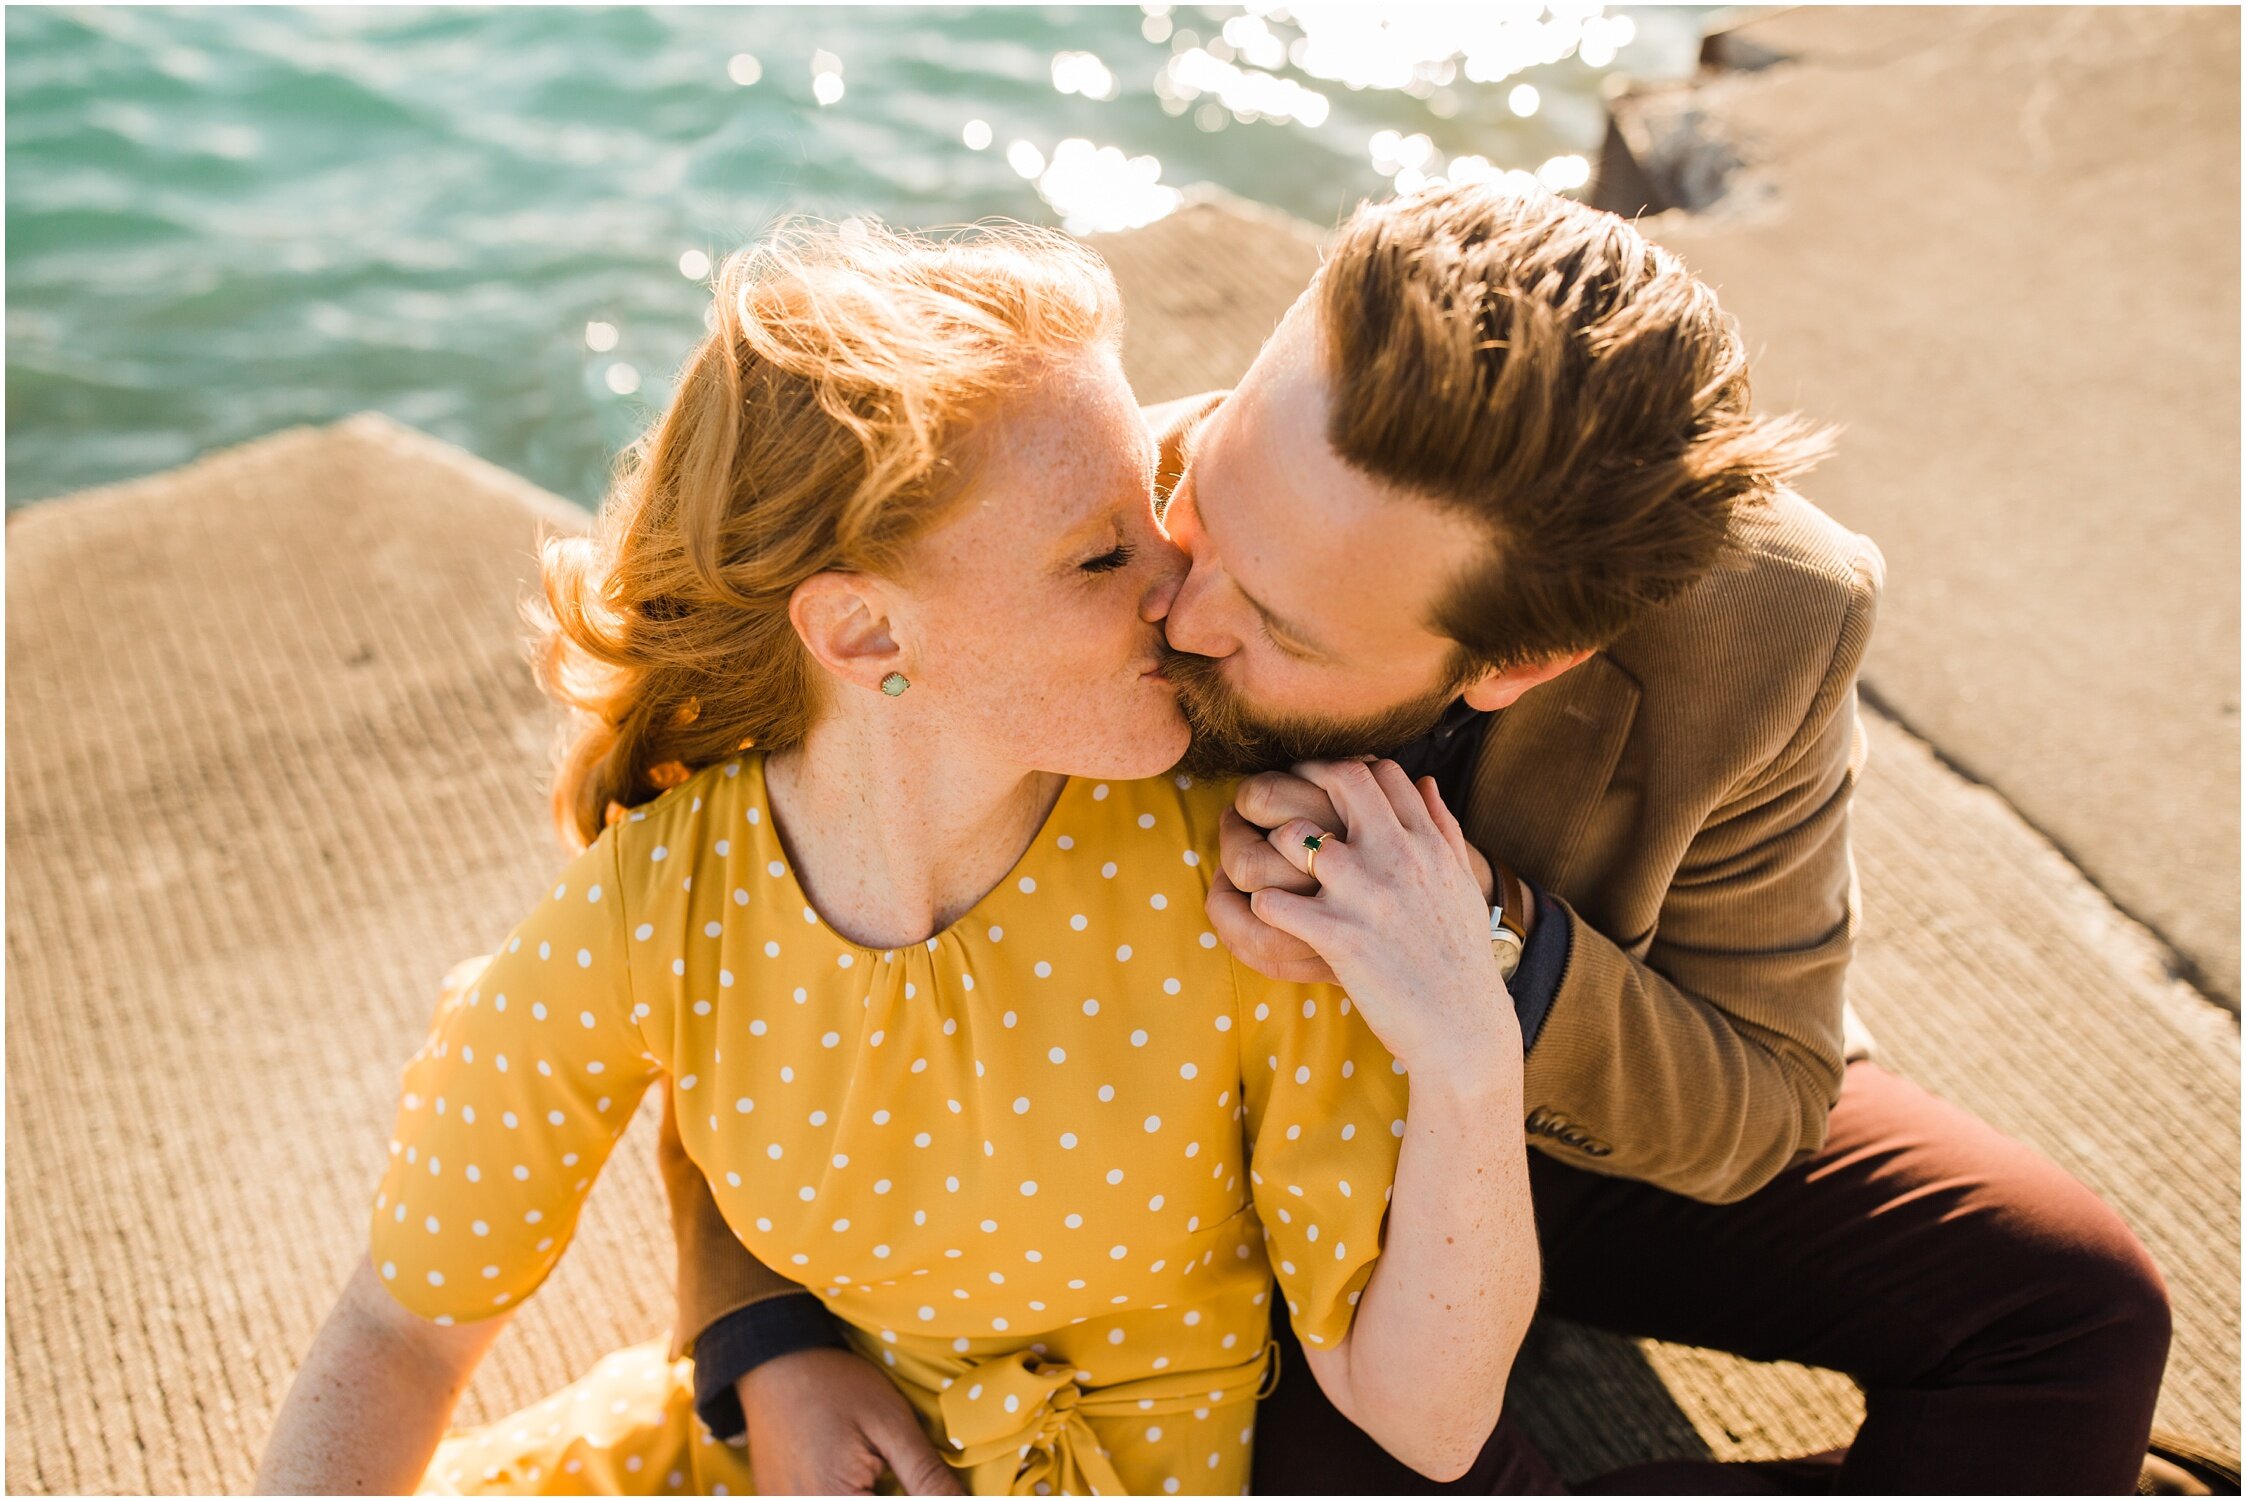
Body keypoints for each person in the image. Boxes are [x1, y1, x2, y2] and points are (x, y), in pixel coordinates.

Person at [669, 185, 2187, 1495]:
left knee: (2074, 1311)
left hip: (1555, 1130)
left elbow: (1763, 1096)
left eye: (1269, 624)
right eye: (1205, 491)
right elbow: (716, 889)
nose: (1175, 611)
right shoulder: (1060, 525)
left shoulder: (1770, 616)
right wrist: (760, 1328)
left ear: (1517, 661)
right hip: (1209, 1231)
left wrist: (1489, 958)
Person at [253, 218, 1543, 1496]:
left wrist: (1468, 1058)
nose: (1181, 583)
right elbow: (402, 1329)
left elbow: (1425, 1419)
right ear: (866, 631)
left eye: (1154, 509)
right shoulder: (662, 907)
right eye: (1103, 553)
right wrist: (774, 1359)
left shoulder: (1237, 880)